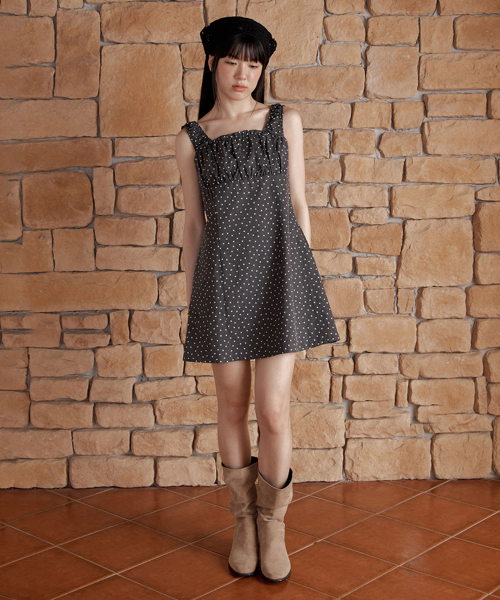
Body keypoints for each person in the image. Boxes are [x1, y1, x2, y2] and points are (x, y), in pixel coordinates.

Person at [175, 16, 340, 583]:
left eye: (253, 63)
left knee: (272, 409)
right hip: (221, 285)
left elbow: (299, 205)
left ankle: (273, 525)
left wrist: (303, 279)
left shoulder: (283, 121)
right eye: (232, 61)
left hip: (279, 277)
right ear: (212, 64)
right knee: (230, 406)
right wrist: (193, 300)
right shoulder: (192, 138)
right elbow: (193, 226)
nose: (243, 74)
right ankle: (243, 523)